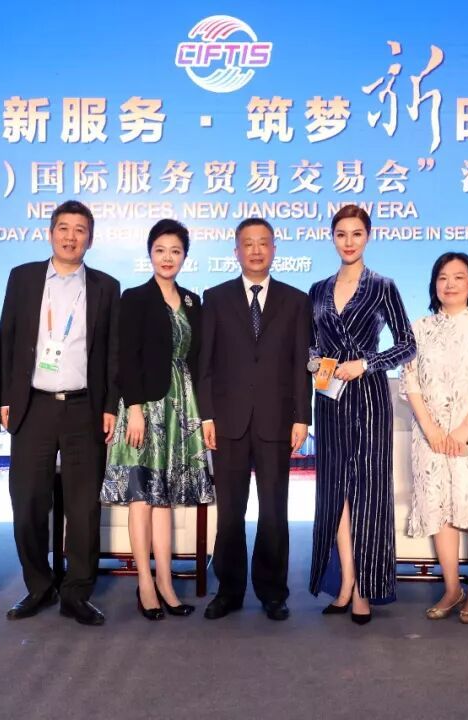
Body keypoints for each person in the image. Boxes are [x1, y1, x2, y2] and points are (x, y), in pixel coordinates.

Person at [0, 200, 119, 626]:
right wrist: (4, 398)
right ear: (50, 233)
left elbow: (111, 353)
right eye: (63, 228)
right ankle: (39, 586)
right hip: (33, 405)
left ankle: (76, 592)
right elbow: (7, 338)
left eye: (80, 230)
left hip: (84, 407)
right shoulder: (23, 278)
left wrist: (110, 406)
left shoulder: (106, 286)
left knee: (83, 508)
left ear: (91, 238)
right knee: (28, 502)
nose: (71, 237)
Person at [198, 218, 312, 622]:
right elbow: (205, 363)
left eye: (264, 243)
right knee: (230, 512)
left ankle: (273, 592)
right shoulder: (215, 297)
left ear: (275, 249)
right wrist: (206, 415)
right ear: (236, 251)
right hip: (227, 421)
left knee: (274, 511)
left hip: (276, 420)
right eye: (248, 243)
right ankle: (228, 590)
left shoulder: (296, 301)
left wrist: (302, 417)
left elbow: (300, 363)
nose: (256, 250)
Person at [308, 204, 416, 624]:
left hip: (369, 396)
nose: (348, 241)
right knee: (334, 490)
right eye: (341, 234)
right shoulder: (317, 290)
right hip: (329, 397)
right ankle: (346, 581)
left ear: (368, 237)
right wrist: (315, 363)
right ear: (332, 238)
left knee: (368, 492)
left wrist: (367, 364)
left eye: (356, 234)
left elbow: (407, 344)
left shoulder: (383, 286)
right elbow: (309, 345)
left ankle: (364, 590)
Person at [101, 219, 213, 621]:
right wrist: (133, 407)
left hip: (180, 406)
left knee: (164, 498)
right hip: (144, 406)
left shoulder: (193, 301)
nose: (168, 258)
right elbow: (124, 356)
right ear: (150, 253)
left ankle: (166, 583)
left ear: (185, 257)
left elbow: (198, 358)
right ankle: (145, 585)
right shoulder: (134, 298)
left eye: (175, 251)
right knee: (141, 497)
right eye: (160, 250)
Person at [400, 252, 468, 624]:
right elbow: (410, 381)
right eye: (442, 277)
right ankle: (451, 588)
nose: (450, 284)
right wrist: (431, 429)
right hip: (429, 435)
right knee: (439, 507)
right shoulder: (419, 328)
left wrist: (462, 430)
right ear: (434, 285)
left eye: (459, 277)